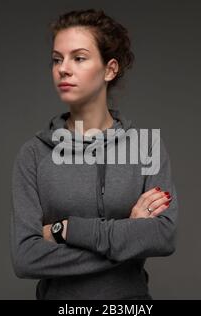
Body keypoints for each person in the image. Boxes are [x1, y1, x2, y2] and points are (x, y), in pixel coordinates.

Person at [10, 8, 179, 300]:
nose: (63, 68)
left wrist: (65, 229)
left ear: (110, 69)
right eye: (56, 59)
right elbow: (25, 257)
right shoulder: (34, 154)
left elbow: (163, 237)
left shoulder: (146, 146)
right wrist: (127, 235)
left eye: (78, 57)